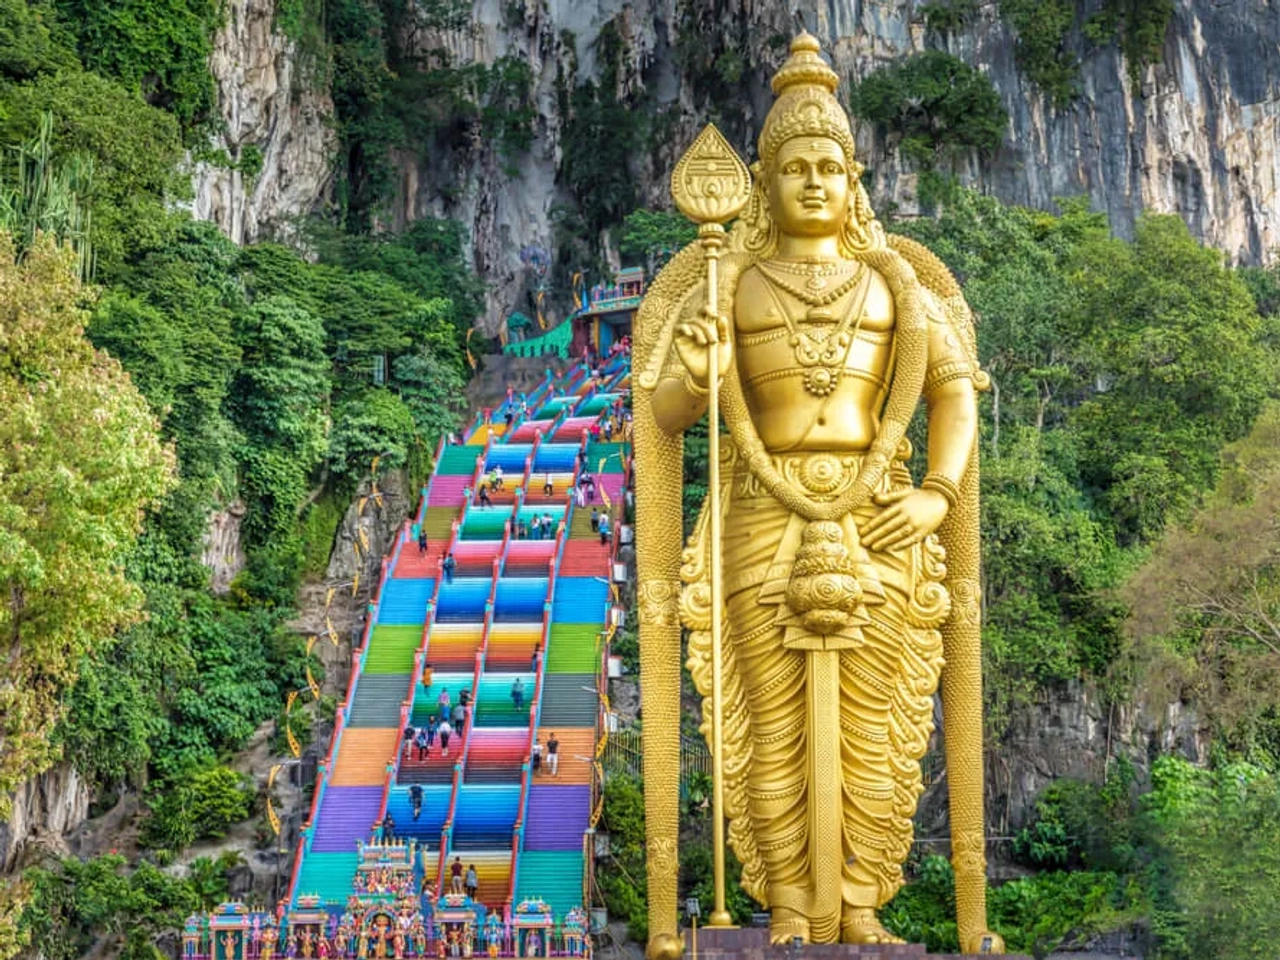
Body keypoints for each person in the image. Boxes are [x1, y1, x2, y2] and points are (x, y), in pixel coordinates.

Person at [632, 32, 999, 951]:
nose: (810, 182)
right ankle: (791, 904)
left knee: (878, 722)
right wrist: (696, 364)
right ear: (761, 179)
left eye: (828, 166)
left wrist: (939, 494)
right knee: (772, 719)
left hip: (880, 513)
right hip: (762, 511)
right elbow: (669, 412)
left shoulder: (896, 283)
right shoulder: (732, 279)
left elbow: (953, 392)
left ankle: (865, 902)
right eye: (791, 166)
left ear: (854, 176)